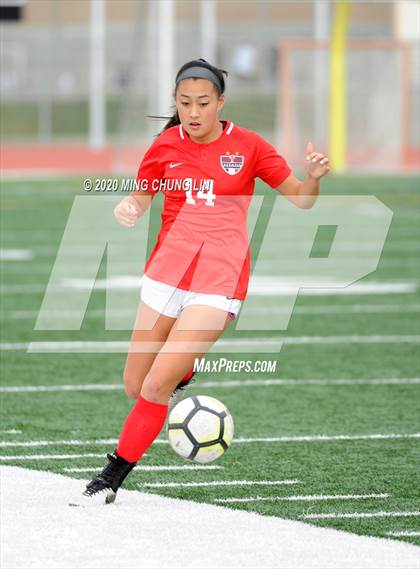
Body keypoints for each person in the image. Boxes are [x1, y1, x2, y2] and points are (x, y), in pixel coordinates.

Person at [80, 58, 329, 504]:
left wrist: (311, 178)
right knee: (135, 386)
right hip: (166, 274)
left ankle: (111, 477)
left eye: (203, 103)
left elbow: (301, 200)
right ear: (175, 103)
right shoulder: (164, 145)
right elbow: (142, 193)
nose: (193, 112)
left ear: (220, 103)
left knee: (157, 387)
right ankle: (187, 368)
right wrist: (130, 209)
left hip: (219, 280)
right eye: (184, 103)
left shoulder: (249, 146)